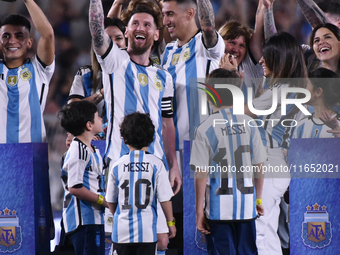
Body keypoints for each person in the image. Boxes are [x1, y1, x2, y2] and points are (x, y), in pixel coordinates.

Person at [89, 0, 181, 253]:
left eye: (147, 24)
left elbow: (167, 123)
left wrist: (174, 164)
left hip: (156, 165)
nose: (140, 27)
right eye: (135, 23)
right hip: (120, 163)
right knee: (118, 241)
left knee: (161, 241)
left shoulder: (164, 77)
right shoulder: (114, 62)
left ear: (156, 33)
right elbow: (97, 31)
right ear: (127, 32)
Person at [244, 32, 308, 255]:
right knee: (269, 231)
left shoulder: (280, 90)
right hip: (279, 166)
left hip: (269, 167)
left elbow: (242, 112)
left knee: (257, 228)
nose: (261, 60)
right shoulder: (295, 88)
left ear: (279, 58)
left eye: (267, 56)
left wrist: (231, 78)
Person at [191, 68, 266, 255]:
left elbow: (201, 173)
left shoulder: (205, 128)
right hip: (247, 206)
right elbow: (259, 166)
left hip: (218, 209)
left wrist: (199, 211)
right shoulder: (251, 124)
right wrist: (258, 198)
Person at [106, 112, 176, 255]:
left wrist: (119, 216)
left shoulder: (117, 165)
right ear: (152, 137)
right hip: (147, 231)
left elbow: (110, 201)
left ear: (124, 139)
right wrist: (170, 223)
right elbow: (165, 199)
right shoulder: (156, 164)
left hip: (122, 232)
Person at [161, 0, 225, 152]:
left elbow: (208, 28)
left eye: (170, 14)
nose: (165, 21)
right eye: (164, 15)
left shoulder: (206, 45)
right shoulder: (168, 52)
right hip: (172, 148)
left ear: (190, 13)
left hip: (201, 145)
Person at [0, 0, 54, 143]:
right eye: (6, 36)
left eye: (19, 36)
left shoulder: (39, 68)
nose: (12, 41)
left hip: (31, 152)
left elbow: (48, 35)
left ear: (29, 42)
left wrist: (28, 0)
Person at [59, 100, 108, 255]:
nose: (101, 119)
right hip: (84, 220)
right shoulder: (78, 150)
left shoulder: (91, 149)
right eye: (97, 116)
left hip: (95, 217)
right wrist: (103, 201)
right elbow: (75, 188)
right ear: (89, 125)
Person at [292, 68, 340, 138]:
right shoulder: (301, 125)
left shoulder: (338, 124)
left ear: (318, 92)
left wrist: (335, 129)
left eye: (305, 86)